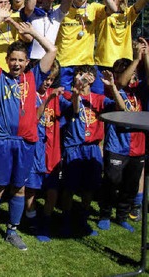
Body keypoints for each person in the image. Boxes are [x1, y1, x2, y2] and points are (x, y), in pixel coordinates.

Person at [0, 5, 57, 252]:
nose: (17, 64)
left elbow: (52, 50)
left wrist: (34, 33)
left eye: (21, 60)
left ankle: (12, 230)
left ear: (26, 62)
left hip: (26, 140)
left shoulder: (33, 77)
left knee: (19, 187)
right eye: (13, 59)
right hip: (2, 138)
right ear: (7, 61)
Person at [58, 65, 114, 237]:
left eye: (86, 75)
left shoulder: (99, 98)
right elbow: (74, 107)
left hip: (92, 148)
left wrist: (112, 86)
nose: (82, 78)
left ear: (93, 79)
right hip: (74, 147)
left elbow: (120, 108)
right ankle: (65, 221)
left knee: (89, 189)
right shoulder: (67, 95)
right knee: (69, 187)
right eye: (79, 75)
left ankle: (82, 220)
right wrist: (78, 88)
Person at [97, 45, 148, 232]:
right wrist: (136, 59)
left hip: (138, 147)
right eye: (117, 72)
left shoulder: (139, 91)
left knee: (131, 185)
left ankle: (122, 215)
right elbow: (122, 107)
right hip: (117, 145)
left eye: (123, 72)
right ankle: (104, 214)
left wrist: (145, 56)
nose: (119, 76)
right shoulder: (111, 88)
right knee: (111, 182)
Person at [55, 0, 118, 94]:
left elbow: (113, 9)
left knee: (95, 98)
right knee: (66, 101)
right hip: (64, 64)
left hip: (87, 65)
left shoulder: (94, 9)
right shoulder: (60, 9)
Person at [23, 60, 63, 242]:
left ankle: (46, 220)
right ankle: (30, 219)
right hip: (34, 147)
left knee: (52, 188)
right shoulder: (29, 95)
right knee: (31, 188)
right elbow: (34, 118)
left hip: (51, 148)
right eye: (46, 78)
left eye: (51, 79)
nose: (47, 82)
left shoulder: (56, 95)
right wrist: (48, 99)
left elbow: (74, 107)